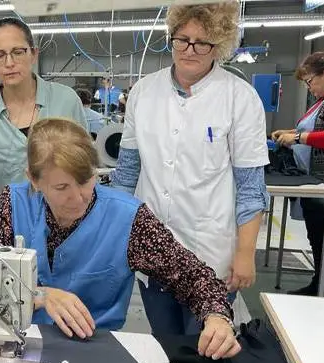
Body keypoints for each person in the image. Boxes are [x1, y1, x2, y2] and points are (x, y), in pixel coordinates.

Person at [0, 118, 240, 359]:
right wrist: (40, 295)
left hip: (92, 349)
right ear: (33, 180)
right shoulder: (12, 205)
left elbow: (193, 275)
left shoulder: (129, 219)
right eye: (61, 188)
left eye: (86, 180)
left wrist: (217, 317)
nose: (79, 198)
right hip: (15, 341)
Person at [111, 3, 269, 336]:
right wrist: (115, 237)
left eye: (203, 42)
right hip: (153, 247)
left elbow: (252, 189)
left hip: (211, 251)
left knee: (205, 351)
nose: (190, 50)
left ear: (220, 46)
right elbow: (125, 176)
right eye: (182, 39)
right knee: (165, 347)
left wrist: (245, 253)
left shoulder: (240, 98)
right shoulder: (142, 92)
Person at [0, 17, 88, 202]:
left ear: (33, 54)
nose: (9, 63)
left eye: (18, 52)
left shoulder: (66, 101)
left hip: (65, 215)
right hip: (12, 218)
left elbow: (85, 163)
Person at [272, 48, 324, 297]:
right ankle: (319, 284)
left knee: (322, 238)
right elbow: (320, 130)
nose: (309, 87)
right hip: (317, 181)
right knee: (318, 236)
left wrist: (298, 137)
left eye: (310, 81)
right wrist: (290, 132)